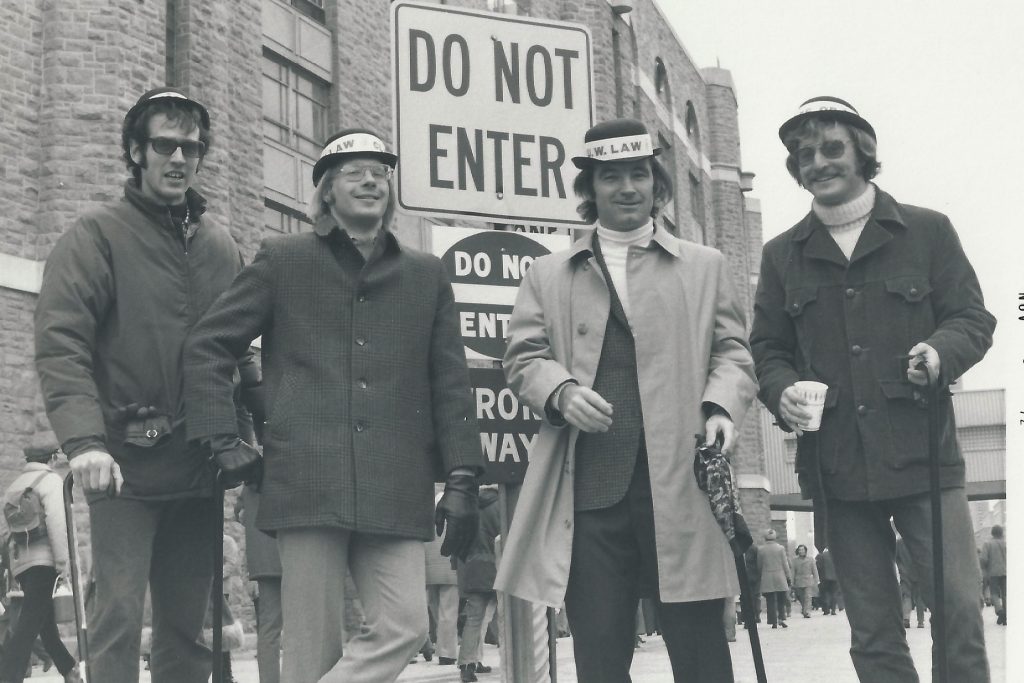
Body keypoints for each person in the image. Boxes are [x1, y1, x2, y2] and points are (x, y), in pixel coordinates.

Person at [183, 128, 484, 683]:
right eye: (354, 171)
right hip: (306, 482)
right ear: (325, 191)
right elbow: (208, 345)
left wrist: (462, 479)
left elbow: (451, 382)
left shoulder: (425, 274)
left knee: (406, 625)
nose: (371, 179)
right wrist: (222, 437)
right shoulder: (283, 259)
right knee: (311, 651)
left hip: (396, 483)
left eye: (380, 171)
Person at [495, 118, 758, 683]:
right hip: (591, 492)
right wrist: (560, 392)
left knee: (702, 653)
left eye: (639, 174)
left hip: (682, 485)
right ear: (589, 189)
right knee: (600, 653)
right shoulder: (546, 274)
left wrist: (720, 407)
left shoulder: (705, 266)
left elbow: (734, 353)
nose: (628, 188)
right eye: (611, 177)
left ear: (656, 182)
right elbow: (521, 357)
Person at [750, 96, 995, 683]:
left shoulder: (927, 230)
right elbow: (767, 350)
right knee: (873, 628)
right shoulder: (782, 255)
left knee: (958, 610)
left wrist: (939, 351)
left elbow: (972, 319)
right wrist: (780, 390)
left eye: (831, 147)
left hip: (924, 460)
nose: (817, 162)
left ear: (865, 152)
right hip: (836, 467)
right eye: (803, 154)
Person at [33, 87, 261, 683]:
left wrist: (254, 433)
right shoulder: (95, 236)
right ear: (136, 151)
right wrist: (85, 443)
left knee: (189, 628)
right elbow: (63, 346)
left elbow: (242, 353)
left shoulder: (220, 245)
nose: (179, 158)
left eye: (191, 147)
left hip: (199, 463)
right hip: (123, 466)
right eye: (165, 144)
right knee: (118, 615)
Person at [0, 446, 79, 683]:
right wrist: (63, 562)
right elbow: (57, 523)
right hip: (45, 561)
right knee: (29, 624)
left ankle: (69, 671)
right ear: (52, 458)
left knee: (44, 624)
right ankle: (7, 676)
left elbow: (8, 533)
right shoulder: (51, 481)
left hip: (21, 565)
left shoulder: (15, 486)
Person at [235, 485, 283, 681]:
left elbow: (239, 514)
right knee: (305, 624)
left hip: (264, 561)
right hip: (293, 552)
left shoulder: (250, 484)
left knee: (269, 630)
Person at [455, 486, 500, 682]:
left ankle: (468, 664)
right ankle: (510, 662)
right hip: (496, 567)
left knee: (475, 619)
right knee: (500, 619)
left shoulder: (468, 506)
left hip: (472, 567)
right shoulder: (500, 504)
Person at [423, 493, 459, 667]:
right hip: (450, 571)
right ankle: (447, 652)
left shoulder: (428, 517)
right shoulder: (454, 516)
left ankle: (434, 645)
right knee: (449, 613)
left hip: (430, 572)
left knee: (435, 610)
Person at [755, 530, 791, 629]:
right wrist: (788, 576)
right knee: (781, 599)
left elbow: (759, 565)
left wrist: (761, 574)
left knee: (770, 600)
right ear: (775, 537)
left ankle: (773, 621)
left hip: (767, 576)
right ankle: (781, 618)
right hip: (780, 575)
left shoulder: (761, 549)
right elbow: (785, 564)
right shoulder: (780, 548)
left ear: (765, 537)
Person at [896, 536, 926, 629]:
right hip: (918, 572)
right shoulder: (917, 540)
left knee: (906, 596)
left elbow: (896, 558)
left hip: (905, 573)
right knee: (919, 598)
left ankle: (906, 619)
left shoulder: (898, 543)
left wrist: (901, 567)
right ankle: (920, 622)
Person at [979, 525, 1006, 625]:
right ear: (1001, 533)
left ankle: (1000, 611)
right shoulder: (1006, 543)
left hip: (993, 572)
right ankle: (1006, 615)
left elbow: (983, 559)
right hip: (1006, 572)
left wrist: (984, 569)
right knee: (1005, 594)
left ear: (992, 533)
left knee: (994, 593)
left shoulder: (988, 544)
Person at [791, 544, 818, 618]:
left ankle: (807, 612)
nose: (801, 551)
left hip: (808, 581)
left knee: (808, 597)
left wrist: (816, 580)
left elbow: (815, 570)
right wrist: (792, 582)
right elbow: (792, 571)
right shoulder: (794, 560)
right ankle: (804, 609)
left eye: (802, 550)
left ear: (805, 551)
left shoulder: (810, 559)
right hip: (798, 581)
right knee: (801, 597)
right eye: (800, 550)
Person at [816, 546, 839, 615]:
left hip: (824, 578)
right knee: (833, 594)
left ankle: (826, 610)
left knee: (824, 594)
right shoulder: (835, 555)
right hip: (834, 578)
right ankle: (833, 610)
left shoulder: (820, 556)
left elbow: (818, 567)